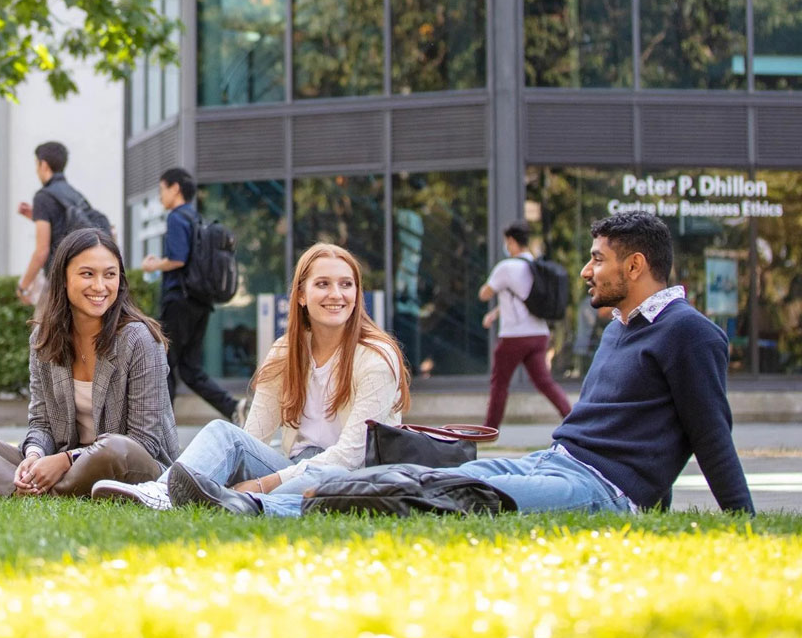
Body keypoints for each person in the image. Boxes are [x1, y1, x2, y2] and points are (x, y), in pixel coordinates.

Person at [292, 211, 754, 516]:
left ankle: (286, 505)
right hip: (554, 461)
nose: (585, 271)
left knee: (451, 500)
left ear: (634, 267)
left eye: (597, 260)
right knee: (439, 475)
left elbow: (709, 435)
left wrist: (744, 522)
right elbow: (639, 427)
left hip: (598, 490)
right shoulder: (620, 327)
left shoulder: (690, 334)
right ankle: (270, 500)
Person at [94, 242, 409, 515]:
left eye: (346, 284)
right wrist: (237, 468)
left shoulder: (376, 357)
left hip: (351, 474)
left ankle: (237, 500)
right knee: (224, 434)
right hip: (295, 465)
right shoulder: (286, 351)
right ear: (301, 295)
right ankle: (162, 492)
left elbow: (350, 455)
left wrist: (263, 483)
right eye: (323, 284)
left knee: (310, 483)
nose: (336, 295)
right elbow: (254, 438)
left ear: (357, 292)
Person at [0, 227, 177, 497]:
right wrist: (34, 454)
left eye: (110, 274)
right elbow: (41, 423)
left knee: (114, 448)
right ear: (63, 278)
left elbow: (145, 442)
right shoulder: (44, 338)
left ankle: (35, 490)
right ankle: (29, 488)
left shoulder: (139, 339)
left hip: (131, 465)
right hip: (62, 462)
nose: (100, 286)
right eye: (87, 274)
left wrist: (65, 461)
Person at [140, 167, 239, 420]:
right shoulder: (196, 218)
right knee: (190, 369)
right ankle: (233, 407)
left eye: (162, 189)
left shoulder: (176, 217)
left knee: (165, 364)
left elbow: (177, 260)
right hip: (200, 302)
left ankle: (161, 428)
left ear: (175, 189)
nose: (161, 196)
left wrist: (154, 265)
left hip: (179, 301)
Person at [478, 221, 572, 428]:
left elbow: (484, 294)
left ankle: (489, 429)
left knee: (499, 383)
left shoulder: (506, 267)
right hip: (539, 335)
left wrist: (491, 287)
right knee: (545, 382)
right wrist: (495, 314)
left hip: (514, 336)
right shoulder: (537, 267)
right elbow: (526, 300)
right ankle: (572, 417)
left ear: (511, 242)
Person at [15, 141, 108, 306]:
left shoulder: (43, 197)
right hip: (83, 278)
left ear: (43, 165)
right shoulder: (74, 194)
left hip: (58, 282)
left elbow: (41, 252)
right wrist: (35, 216)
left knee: (44, 330)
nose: (36, 170)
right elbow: (69, 228)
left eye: (36, 164)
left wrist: (23, 286)